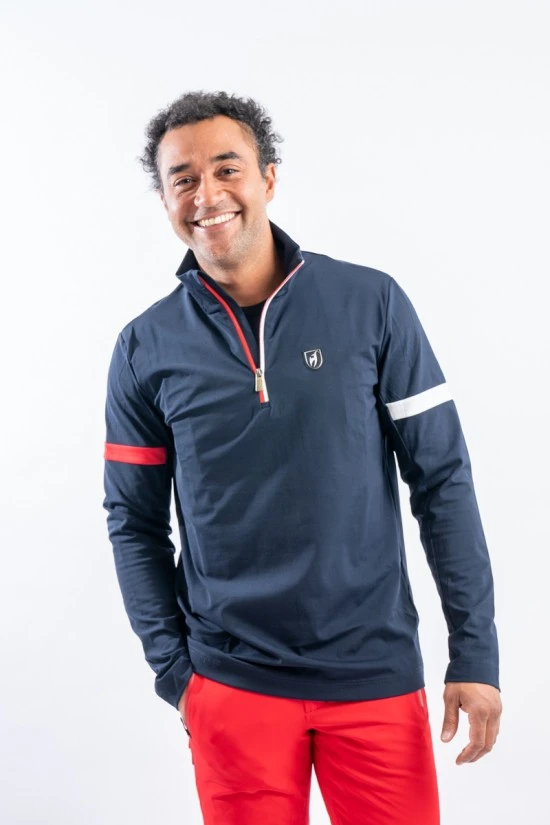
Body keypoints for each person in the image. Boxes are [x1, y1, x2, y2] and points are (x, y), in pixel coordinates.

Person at [103, 90, 502, 825]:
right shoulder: (143, 346)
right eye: (183, 178)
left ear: (268, 178)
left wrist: (475, 653)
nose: (207, 194)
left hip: (374, 675)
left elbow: (442, 480)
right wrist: (176, 673)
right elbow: (132, 521)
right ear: (164, 199)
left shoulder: (372, 302)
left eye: (227, 169)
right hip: (230, 686)